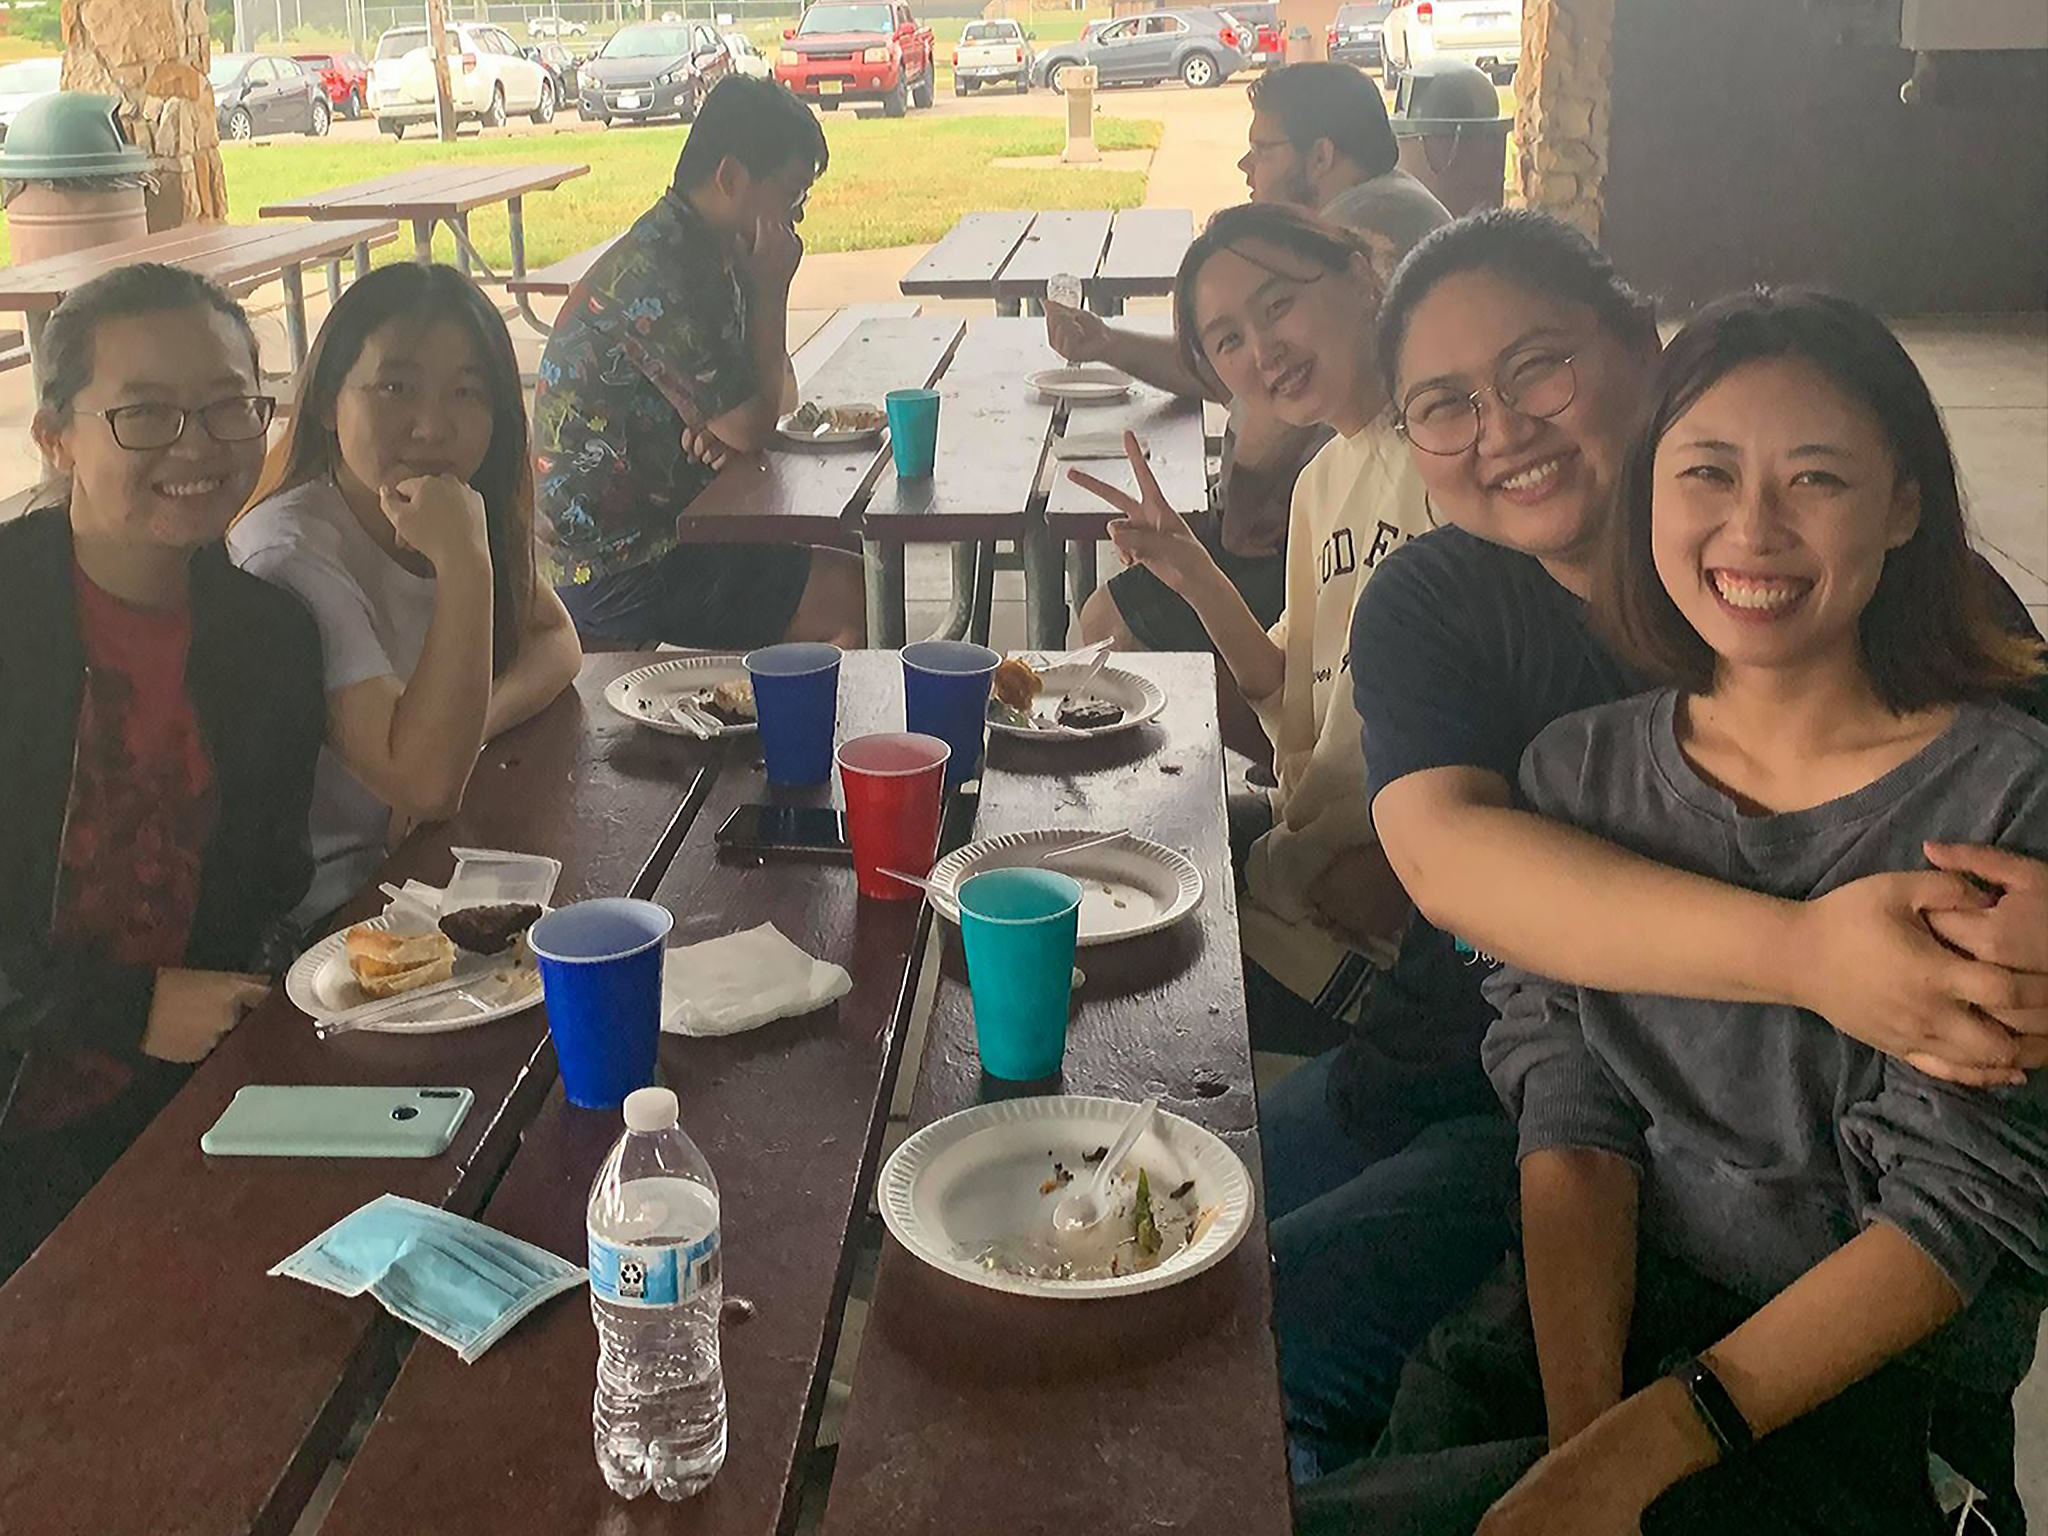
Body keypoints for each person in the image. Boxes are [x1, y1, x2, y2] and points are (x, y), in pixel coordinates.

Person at [1266, 209, 2048, 1490]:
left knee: (1274, 1356)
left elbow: (1967, 1184)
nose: (1502, 430)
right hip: (1478, 1082)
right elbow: (1450, 863)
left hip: (1784, 1237)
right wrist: (1810, 955)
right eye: (1444, 404)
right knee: (1177, 1290)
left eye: (1536, 368)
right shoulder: (1486, 648)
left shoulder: (1893, 627)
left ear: (1640, 342)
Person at [0, 265, 323, 1280]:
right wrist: (129, 1009)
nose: (198, 444)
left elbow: (268, 879)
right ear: (56, 436)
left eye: (230, 405)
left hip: (189, 1108)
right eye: (144, 413)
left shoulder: (268, 636)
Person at [1069, 203, 1430, 1055]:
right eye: (1228, 339)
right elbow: (1282, 695)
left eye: (1278, 306)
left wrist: (1408, 870)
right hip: (1299, 848)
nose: (1262, 352)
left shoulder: (1451, 460)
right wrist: (1194, 573)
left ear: (1359, 273)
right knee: (1084, 859)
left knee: (1108, 1009)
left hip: (1362, 919)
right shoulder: (1324, 481)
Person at [1046, 62, 1449, 655]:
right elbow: (1235, 371)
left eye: (1262, 147)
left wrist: (1223, 535)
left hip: (1298, 541)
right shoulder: (1379, 206)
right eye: (1231, 337)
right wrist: (1107, 343)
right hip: (1316, 530)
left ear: (1320, 157)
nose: (1246, 164)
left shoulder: (1350, 231)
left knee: (1109, 623)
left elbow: (1267, 433)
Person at [231, 263, 582, 927]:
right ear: (331, 401)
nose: (432, 426)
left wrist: (474, 726)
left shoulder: (445, 509)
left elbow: (557, 640)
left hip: (425, 870)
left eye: (466, 392)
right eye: (395, 386)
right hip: (329, 917)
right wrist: (464, 562)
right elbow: (426, 780)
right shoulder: (290, 555)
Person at [532, 74, 864, 650]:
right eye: (791, 195)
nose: (796, 219)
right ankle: (809, 737)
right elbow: (756, 421)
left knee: (851, 549)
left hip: (674, 522)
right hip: (616, 564)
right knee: (852, 594)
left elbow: (776, 400)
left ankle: (778, 723)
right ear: (731, 176)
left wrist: (731, 428)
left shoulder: (710, 249)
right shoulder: (664, 271)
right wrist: (771, 292)